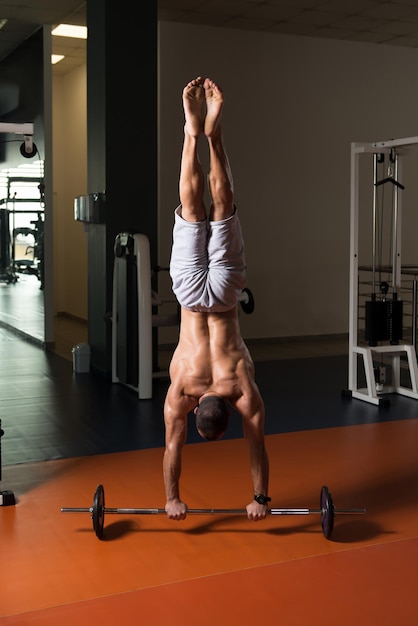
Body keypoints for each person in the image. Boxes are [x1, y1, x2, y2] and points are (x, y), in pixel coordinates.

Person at [163, 76, 269, 522]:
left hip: (224, 296)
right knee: (194, 208)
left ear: (224, 407)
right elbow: (173, 444)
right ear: (197, 409)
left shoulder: (238, 390)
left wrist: (260, 497)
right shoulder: (182, 392)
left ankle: (211, 135)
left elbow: (254, 443)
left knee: (222, 207)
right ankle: (195, 135)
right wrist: (171, 496)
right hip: (191, 295)